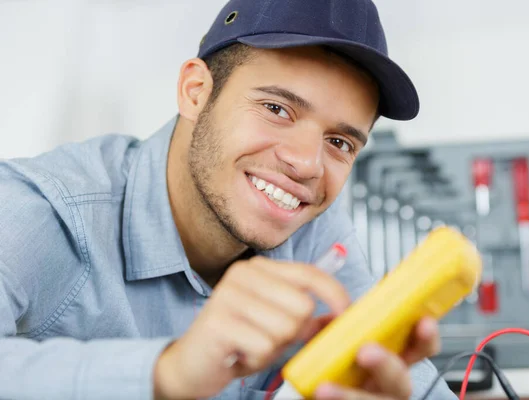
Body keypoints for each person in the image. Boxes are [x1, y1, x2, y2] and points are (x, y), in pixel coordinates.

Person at [0, 0, 457, 399]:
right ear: (195, 92)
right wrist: (169, 371)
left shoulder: (317, 235)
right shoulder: (42, 210)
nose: (306, 165)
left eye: (339, 142)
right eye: (277, 109)